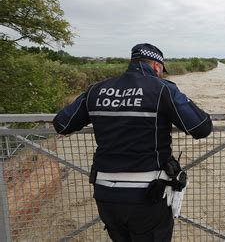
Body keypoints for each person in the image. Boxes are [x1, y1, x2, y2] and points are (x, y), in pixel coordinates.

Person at [53, 43, 213, 242]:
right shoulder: (162, 89)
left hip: (106, 195)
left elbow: (62, 123)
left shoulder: (97, 90)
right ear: (156, 66)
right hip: (148, 196)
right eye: (162, 70)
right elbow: (201, 127)